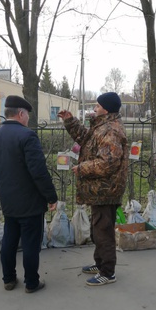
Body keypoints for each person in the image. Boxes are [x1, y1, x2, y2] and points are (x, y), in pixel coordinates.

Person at [58, 92, 129, 286]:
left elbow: (109, 162)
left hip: (106, 190)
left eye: (97, 106)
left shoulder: (111, 130)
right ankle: (100, 263)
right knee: (98, 229)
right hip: (100, 189)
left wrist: (82, 168)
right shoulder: (101, 125)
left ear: (105, 109)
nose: (94, 108)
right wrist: (70, 121)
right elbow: (86, 139)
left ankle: (107, 272)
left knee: (103, 231)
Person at [0, 95, 58, 293]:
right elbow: (38, 171)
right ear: (20, 114)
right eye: (27, 114)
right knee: (30, 242)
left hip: (8, 199)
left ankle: (8, 279)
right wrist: (51, 196)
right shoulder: (27, 136)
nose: (27, 119)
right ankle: (31, 282)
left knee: (10, 239)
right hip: (29, 201)